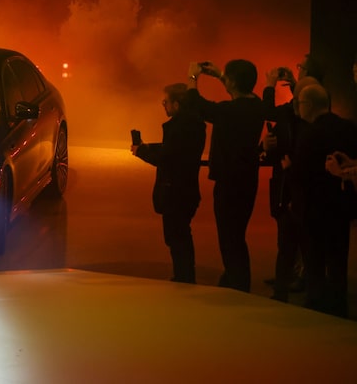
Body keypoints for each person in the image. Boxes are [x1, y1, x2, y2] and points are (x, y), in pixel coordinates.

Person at [187, 59, 265, 292]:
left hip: (229, 182)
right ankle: (236, 279)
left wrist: (193, 78)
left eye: (227, 79)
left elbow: (197, 105)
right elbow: (237, 91)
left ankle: (237, 285)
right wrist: (221, 75)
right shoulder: (257, 106)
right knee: (237, 234)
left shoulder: (228, 111)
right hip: (248, 178)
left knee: (230, 237)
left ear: (232, 82)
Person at [131, 83, 206, 283]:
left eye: (166, 102)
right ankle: (184, 276)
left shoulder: (179, 127)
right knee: (180, 234)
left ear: (177, 104)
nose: (164, 106)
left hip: (175, 191)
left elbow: (167, 158)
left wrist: (142, 151)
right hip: (187, 190)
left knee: (177, 237)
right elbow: (173, 150)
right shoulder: (195, 124)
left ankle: (184, 278)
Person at [293, 83, 357, 317]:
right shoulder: (348, 128)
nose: (297, 108)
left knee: (315, 260)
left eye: (299, 103)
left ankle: (316, 307)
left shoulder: (309, 133)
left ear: (308, 105)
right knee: (339, 258)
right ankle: (339, 305)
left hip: (315, 207)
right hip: (341, 204)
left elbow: (301, 172)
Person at [261, 67, 322, 301]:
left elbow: (266, 111)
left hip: (301, 196)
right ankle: (290, 288)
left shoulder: (311, 124)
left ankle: (296, 288)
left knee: (303, 245)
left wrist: (269, 84)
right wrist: (266, 147)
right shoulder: (290, 119)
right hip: (288, 194)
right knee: (289, 244)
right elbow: (271, 145)